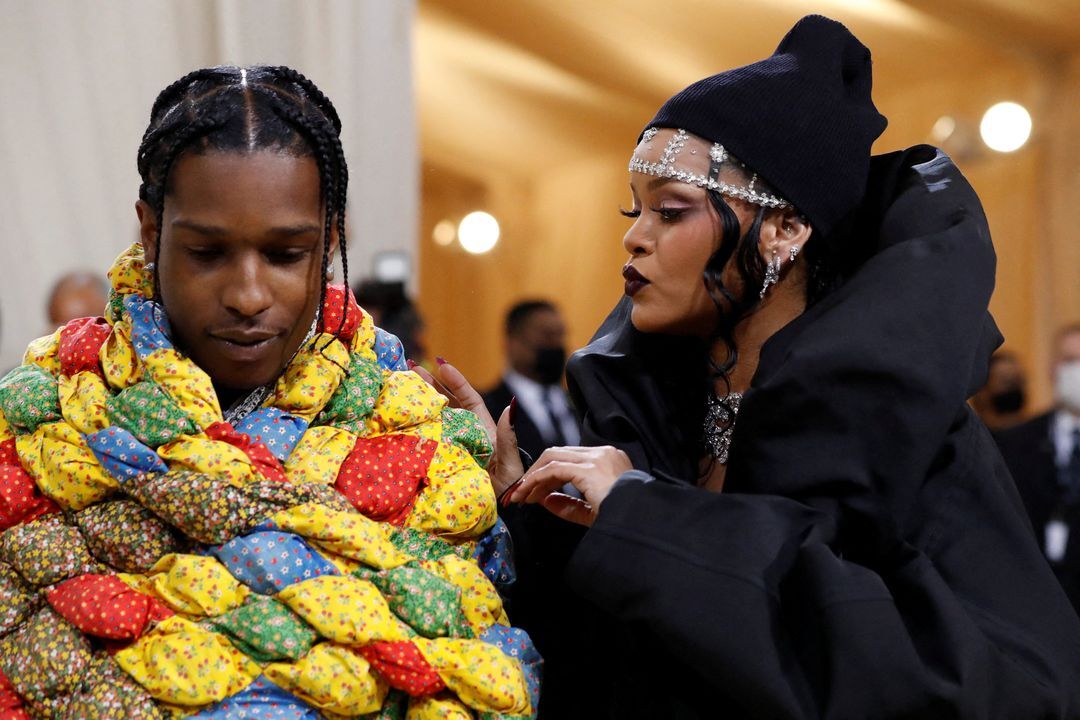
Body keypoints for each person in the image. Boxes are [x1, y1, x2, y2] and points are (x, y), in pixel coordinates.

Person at [432, 15, 1080, 718]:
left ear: (785, 230)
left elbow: (973, 684)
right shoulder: (656, 411)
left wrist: (647, 520)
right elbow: (633, 655)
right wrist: (518, 508)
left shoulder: (904, 432)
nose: (634, 237)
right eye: (634, 209)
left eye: (671, 212)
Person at [0, 66, 537, 719]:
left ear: (330, 239)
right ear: (151, 232)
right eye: (206, 252)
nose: (248, 295)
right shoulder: (38, 424)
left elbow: (482, 661)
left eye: (286, 254)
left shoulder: (418, 441)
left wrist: (510, 508)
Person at [996, 323, 1080, 611]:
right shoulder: (1012, 443)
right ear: (1052, 368)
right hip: (1034, 601)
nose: (1076, 370)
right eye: (1070, 361)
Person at [482, 300, 580, 462]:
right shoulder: (489, 409)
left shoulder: (582, 404)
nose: (556, 344)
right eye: (546, 336)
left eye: (560, 335)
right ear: (512, 342)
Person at [971, 349, 1028, 432]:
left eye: (1018, 381)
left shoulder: (1038, 437)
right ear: (982, 392)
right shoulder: (969, 438)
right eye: (1007, 381)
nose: (1014, 388)